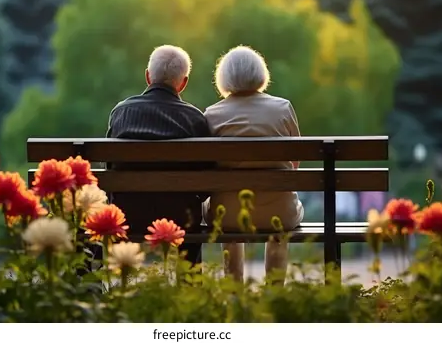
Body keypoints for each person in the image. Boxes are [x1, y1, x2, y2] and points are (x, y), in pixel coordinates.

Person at [203, 46, 305, 282]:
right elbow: (296, 162)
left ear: (224, 77)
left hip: (227, 214)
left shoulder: (212, 114)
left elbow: (207, 167)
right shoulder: (283, 108)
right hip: (279, 211)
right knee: (281, 217)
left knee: (226, 212)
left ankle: (234, 288)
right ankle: (274, 290)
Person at [105, 45, 213, 265]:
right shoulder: (194, 119)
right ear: (183, 83)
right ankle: (190, 289)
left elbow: (110, 169)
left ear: (147, 76)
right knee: (191, 210)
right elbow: (205, 186)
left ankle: (94, 290)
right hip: (181, 218)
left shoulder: (121, 112)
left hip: (127, 214)